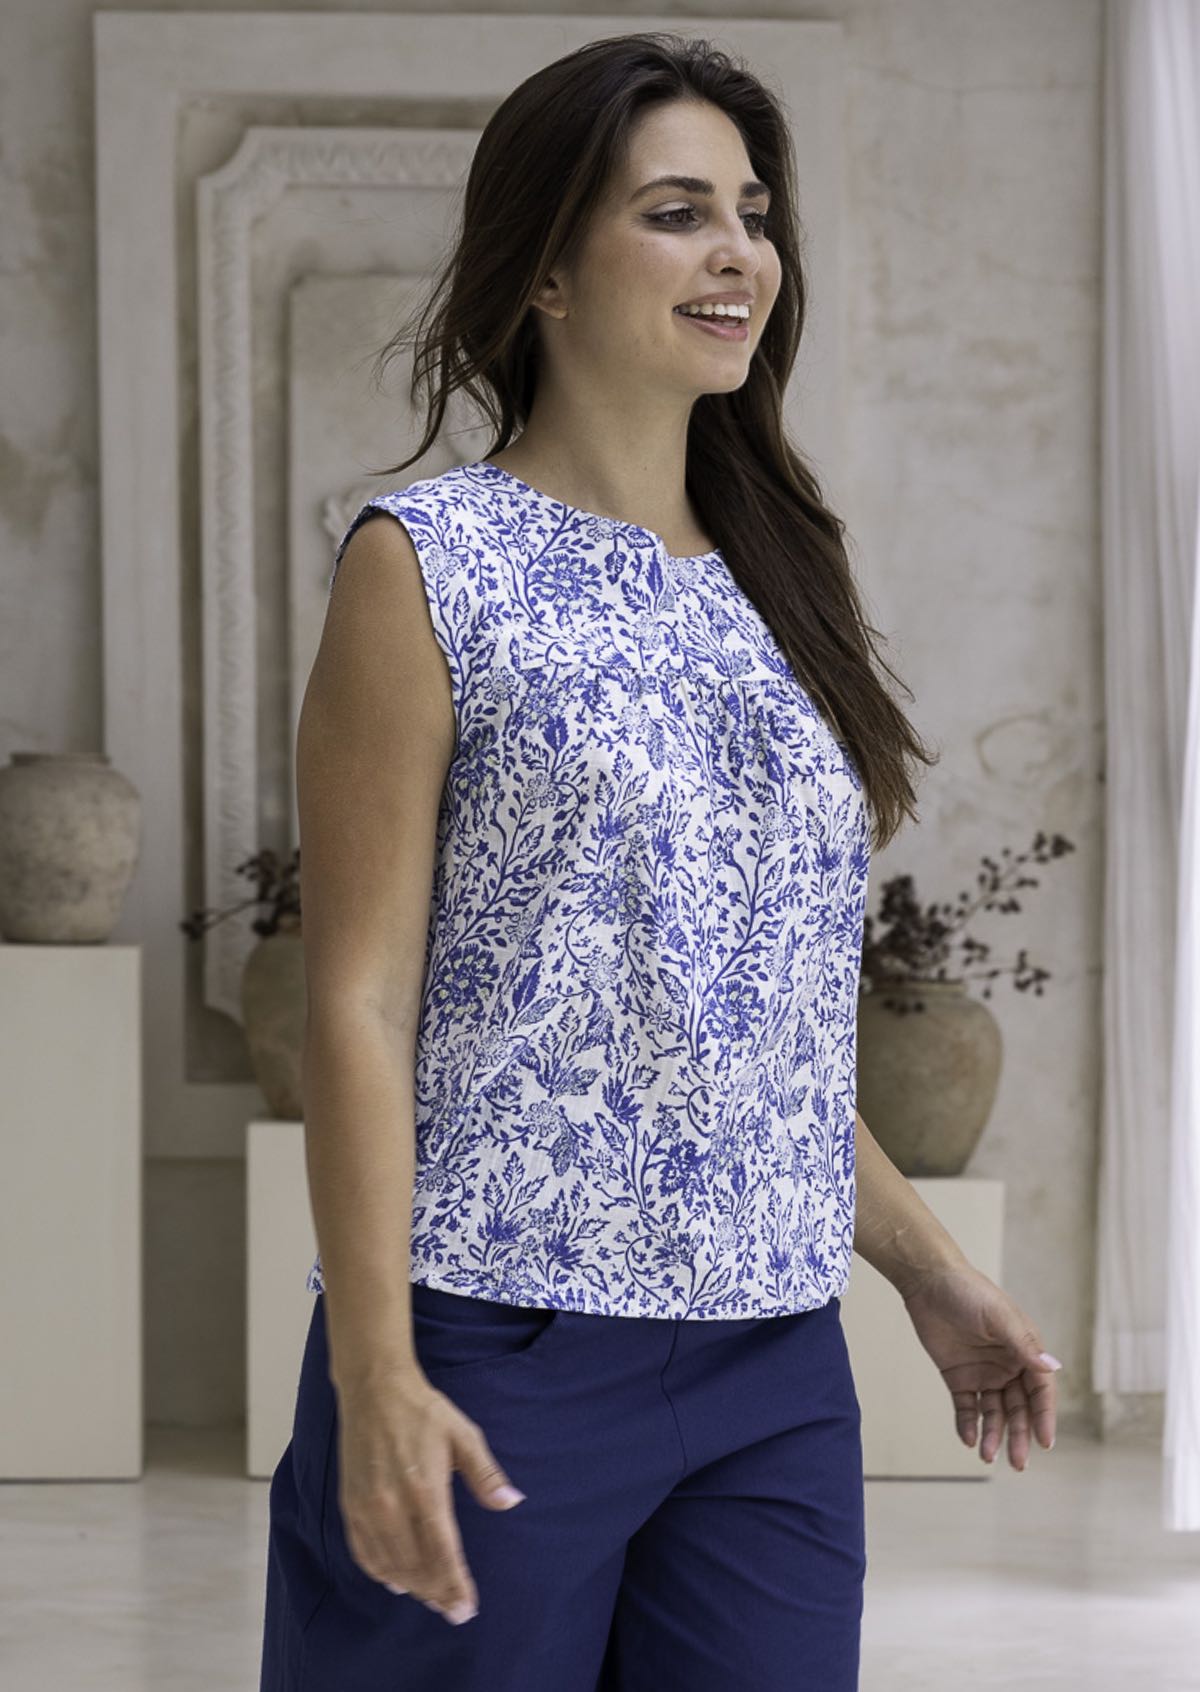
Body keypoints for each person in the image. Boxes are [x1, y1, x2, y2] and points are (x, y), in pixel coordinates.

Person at [260, 31, 1061, 1692]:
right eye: (680, 211)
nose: (739, 255)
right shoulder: (429, 565)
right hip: (499, 1343)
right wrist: (379, 1370)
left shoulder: (785, 577)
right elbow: (354, 1003)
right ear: (546, 266)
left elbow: (742, 1028)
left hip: (775, 1364)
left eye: (753, 214)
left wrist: (930, 1274)